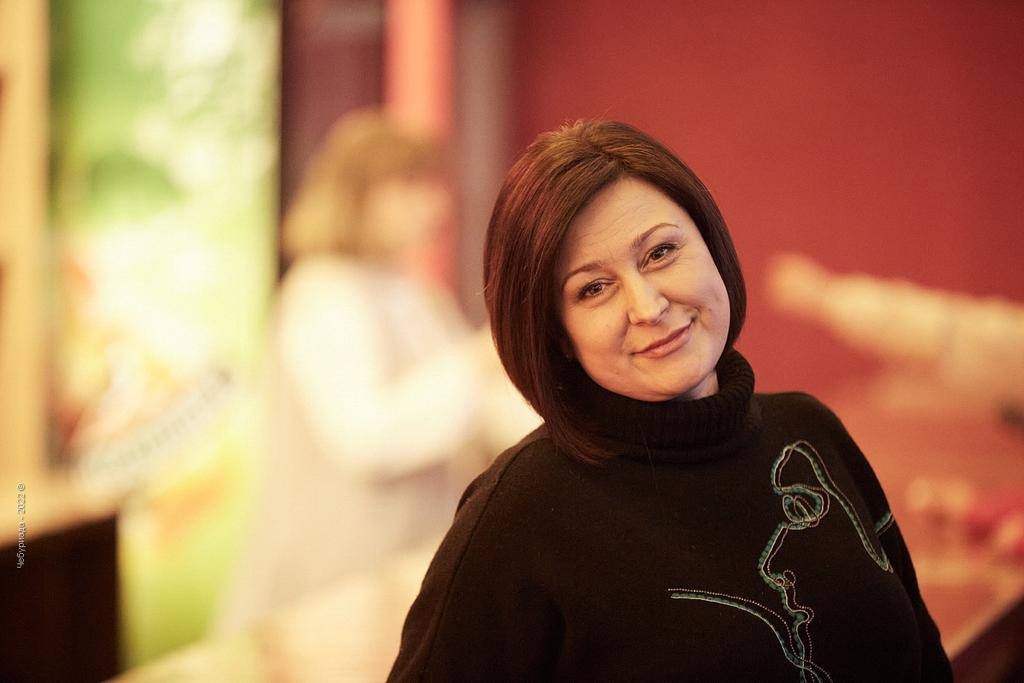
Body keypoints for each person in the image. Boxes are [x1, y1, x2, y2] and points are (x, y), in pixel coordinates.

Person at [388, 120, 952, 681]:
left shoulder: (810, 433)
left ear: (710, 244)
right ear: (557, 333)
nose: (648, 306)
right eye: (593, 288)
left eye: (660, 252)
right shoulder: (520, 511)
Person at [216, 110, 537, 633]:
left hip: (402, 555)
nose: (435, 204)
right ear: (356, 194)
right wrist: (475, 361)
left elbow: (481, 406)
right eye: (411, 186)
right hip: (335, 566)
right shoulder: (322, 295)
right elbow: (365, 437)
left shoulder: (410, 291)